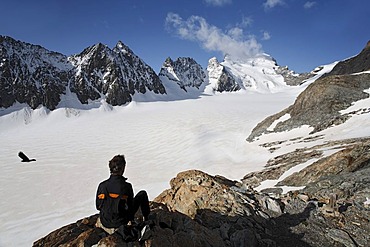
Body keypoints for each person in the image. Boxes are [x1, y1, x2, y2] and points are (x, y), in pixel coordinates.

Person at [95, 154, 150, 235]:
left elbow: (98, 206)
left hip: (105, 222)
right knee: (142, 194)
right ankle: (147, 219)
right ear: (122, 168)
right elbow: (130, 207)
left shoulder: (102, 185)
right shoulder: (126, 186)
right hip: (121, 221)